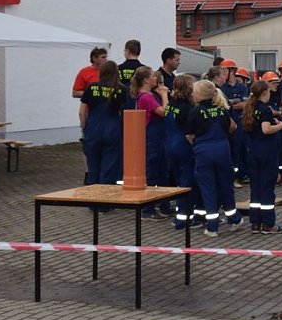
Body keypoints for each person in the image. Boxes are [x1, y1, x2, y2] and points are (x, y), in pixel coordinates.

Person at [187, 80, 244, 237]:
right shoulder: (221, 110)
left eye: (194, 92)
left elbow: (189, 135)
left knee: (208, 188)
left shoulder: (195, 112)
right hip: (223, 150)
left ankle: (212, 227)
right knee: (226, 185)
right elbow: (233, 127)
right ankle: (234, 218)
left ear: (201, 94)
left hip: (204, 152)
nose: (192, 94)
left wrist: (198, 145)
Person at [242, 80, 282, 234]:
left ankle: (255, 222)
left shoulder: (250, 108)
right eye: (269, 92)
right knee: (267, 188)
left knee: (256, 188)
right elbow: (266, 130)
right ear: (264, 93)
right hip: (267, 152)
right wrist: (281, 125)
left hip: (253, 151)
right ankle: (268, 224)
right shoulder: (265, 109)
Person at [131, 66, 170, 220]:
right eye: (153, 76)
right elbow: (164, 112)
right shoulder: (146, 97)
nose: (156, 78)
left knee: (162, 172)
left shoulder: (148, 95)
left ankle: (164, 205)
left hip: (158, 138)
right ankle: (148, 209)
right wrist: (165, 95)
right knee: (152, 173)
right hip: (152, 139)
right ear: (146, 80)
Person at [164, 74, 201, 230]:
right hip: (184, 147)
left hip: (170, 146)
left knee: (180, 182)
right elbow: (190, 132)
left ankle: (184, 216)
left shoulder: (171, 104)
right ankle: (183, 219)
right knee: (187, 183)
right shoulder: (188, 108)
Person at [79, 60, 125, 185]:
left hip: (93, 129)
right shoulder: (121, 89)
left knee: (93, 168)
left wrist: (85, 129)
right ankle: (106, 201)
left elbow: (82, 112)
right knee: (109, 168)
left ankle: (94, 201)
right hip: (113, 129)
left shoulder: (91, 87)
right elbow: (124, 112)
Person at [220, 59, 248, 184]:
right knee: (232, 151)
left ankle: (241, 175)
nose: (223, 73)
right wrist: (234, 103)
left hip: (240, 123)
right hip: (227, 123)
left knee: (241, 150)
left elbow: (244, 104)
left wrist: (231, 103)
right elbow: (224, 105)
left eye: (225, 70)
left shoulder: (241, 87)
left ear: (232, 71)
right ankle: (233, 177)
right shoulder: (222, 88)